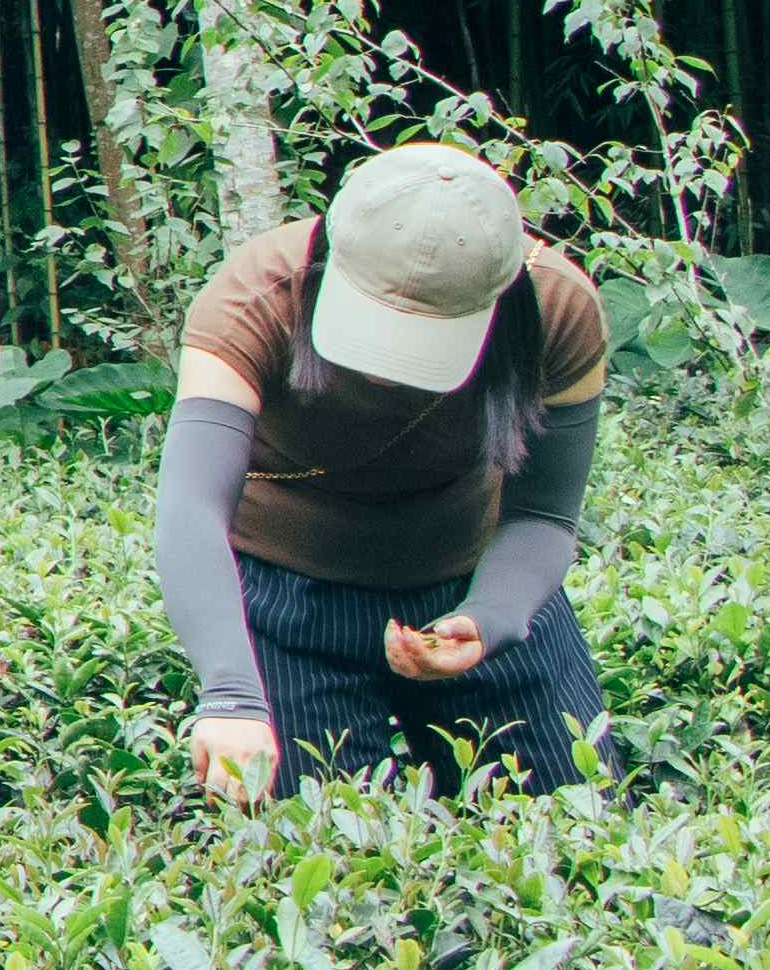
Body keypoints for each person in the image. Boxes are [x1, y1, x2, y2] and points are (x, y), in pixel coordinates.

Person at [160, 142, 614, 800]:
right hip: (289, 601)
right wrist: (232, 694)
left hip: (470, 577)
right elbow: (191, 506)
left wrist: (488, 618)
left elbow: (543, 515)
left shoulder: (558, 307)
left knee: (577, 828)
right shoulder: (256, 295)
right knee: (316, 862)